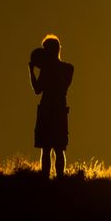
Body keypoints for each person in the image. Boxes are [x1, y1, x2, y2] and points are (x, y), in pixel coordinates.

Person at [29, 34, 74, 178]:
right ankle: (59, 179)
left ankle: (45, 179)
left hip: (47, 110)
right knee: (59, 148)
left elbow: (37, 90)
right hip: (59, 110)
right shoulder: (68, 68)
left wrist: (31, 71)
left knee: (46, 149)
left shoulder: (48, 70)